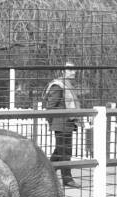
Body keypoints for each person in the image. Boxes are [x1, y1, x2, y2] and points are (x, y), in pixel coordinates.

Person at [45, 61, 82, 189]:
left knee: (60, 152)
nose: (74, 72)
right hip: (61, 124)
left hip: (67, 124)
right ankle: (67, 179)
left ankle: (45, 176)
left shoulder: (67, 85)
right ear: (63, 71)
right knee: (64, 153)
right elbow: (50, 107)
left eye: (74, 69)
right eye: (70, 70)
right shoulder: (58, 85)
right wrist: (52, 122)